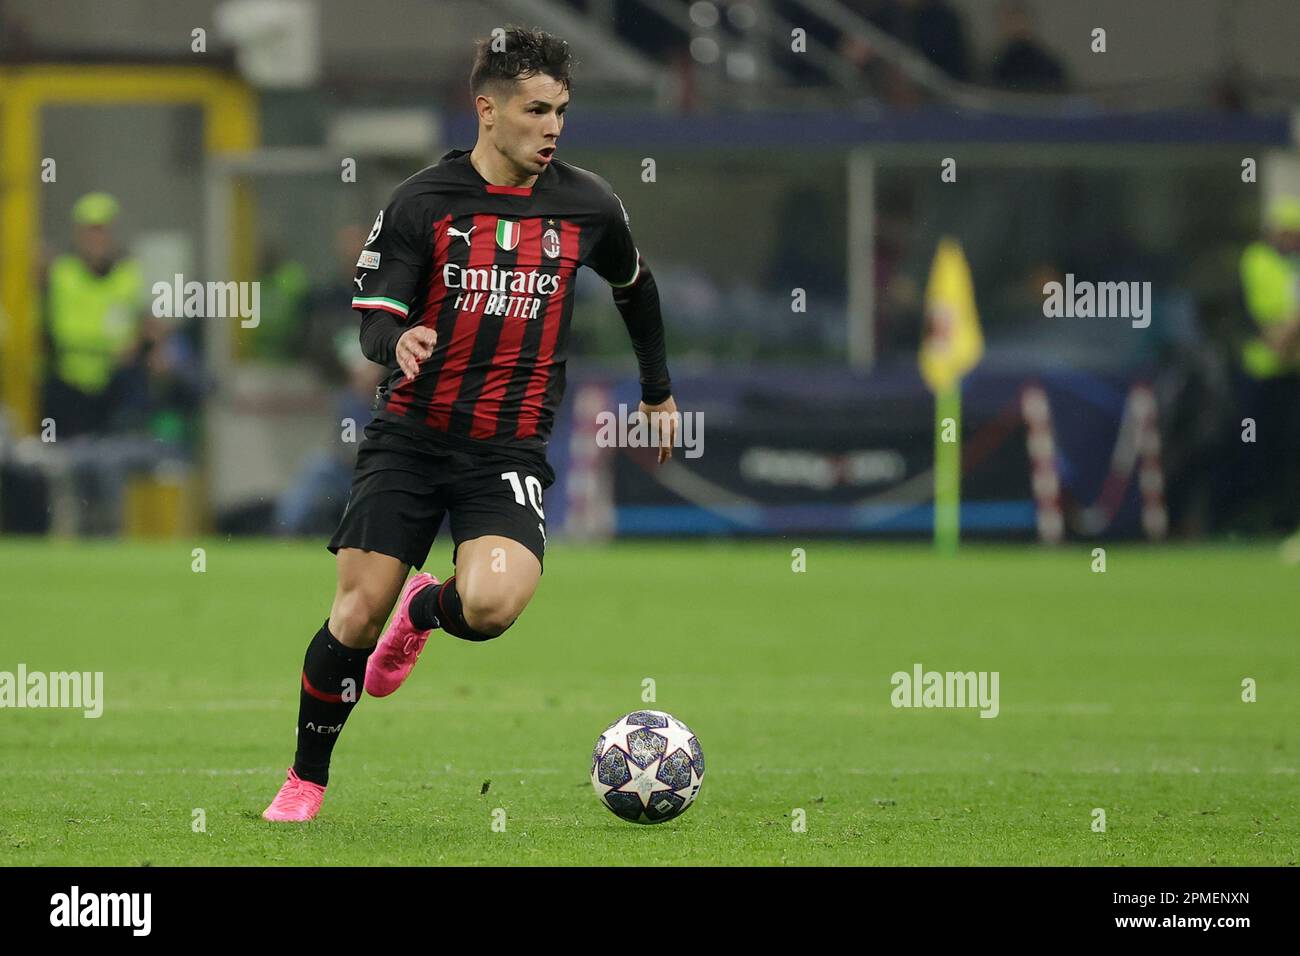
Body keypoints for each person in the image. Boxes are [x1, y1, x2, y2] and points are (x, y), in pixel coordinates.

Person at [262, 26, 678, 821]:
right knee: (354, 613)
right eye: (534, 109)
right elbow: (375, 320)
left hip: (506, 447)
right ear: (486, 110)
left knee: (490, 606)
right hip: (411, 438)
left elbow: (637, 287)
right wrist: (399, 338)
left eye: (560, 110)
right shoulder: (423, 202)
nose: (552, 126)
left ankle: (425, 611)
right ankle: (306, 779)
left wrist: (657, 392)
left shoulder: (588, 204)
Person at [41, 192, 143, 438]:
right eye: (89, 231)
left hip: (113, 386)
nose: (95, 239)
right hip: (70, 385)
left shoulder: (128, 275)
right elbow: (67, 332)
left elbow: (131, 329)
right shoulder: (63, 274)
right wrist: (112, 345)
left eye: (101, 231)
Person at [1235, 197, 1300, 556]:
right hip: (1262, 371)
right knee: (1255, 447)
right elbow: (1259, 317)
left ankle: (1286, 520)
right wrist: (1283, 333)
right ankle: (1249, 520)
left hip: (1292, 371)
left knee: (1291, 450)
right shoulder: (1257, 260)